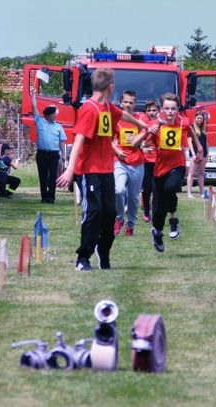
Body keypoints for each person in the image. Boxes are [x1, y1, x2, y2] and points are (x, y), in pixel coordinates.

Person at [56, 68, 150, 272]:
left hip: (107, 169)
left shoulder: (107, 106)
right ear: (111, 87)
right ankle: (83, 257)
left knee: (110, 213)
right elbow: (78, 140)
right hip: (90, 171)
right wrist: (70, 170)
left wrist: (141, 123)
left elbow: (122, 114)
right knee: (93, 212)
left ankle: (103, 250)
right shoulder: (89, 109)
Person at [132, 92, 202, 252]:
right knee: (158, 209)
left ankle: (174, 221)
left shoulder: (183, 122)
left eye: (173, 109)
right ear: (161, 109)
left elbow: (191, 131)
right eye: (167, 109)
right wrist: (147, 134)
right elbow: (136, 143)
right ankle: (157, 232)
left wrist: (199, 148)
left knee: (171, 188)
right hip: (159, 169)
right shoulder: (156, 124)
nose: (170, 112)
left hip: (177, 165)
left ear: (178, 109)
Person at [112, 90, 145, 237]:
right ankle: (119, 218)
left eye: (131, 102)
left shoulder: (140, 118)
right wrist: (116, 151)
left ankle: (130, 224)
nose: (128, 105)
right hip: (120, 160)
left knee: (133, 197)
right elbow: (108, 139)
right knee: (118, 190)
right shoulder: (116, 118)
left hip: (137, 162)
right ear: (121, 103)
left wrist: (143, 143)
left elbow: (147, 135)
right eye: (126, 102)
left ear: (135, 104)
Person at [31, 91, 66, 204]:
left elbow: (61, 141)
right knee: (43, 175)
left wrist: (63, 153)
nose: (56, 115)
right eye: (54, 114)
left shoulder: (58, 126)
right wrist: (33, 96)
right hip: (42, 154)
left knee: (53, 176)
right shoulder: (39, 122)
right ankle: (44, 196)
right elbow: (34, 107)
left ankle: (51, 197)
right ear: (48, 115)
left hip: (54, 154)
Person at [140, 99, 159, 222]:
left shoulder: (161, 122)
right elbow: (137, 139)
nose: (151, 113)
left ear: (158, 111)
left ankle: (156, 211)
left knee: (156, 188)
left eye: (153, 110)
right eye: (149, 110)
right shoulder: (142, 122)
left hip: (159, 159)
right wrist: (142, 147)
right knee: (146, 188)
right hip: (146, 160)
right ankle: (146, 209)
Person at [186, 110, 208, 198]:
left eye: (201, 118)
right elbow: (189, 142)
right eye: (198, 118)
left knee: (202, 173)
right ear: (195, 119)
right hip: (194, 154)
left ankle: (202, 193)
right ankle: (189, 193)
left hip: (204, 154)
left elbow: (206, 142)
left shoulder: (204, 128)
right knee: (191, 173)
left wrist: (207, 153)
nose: (199, 120)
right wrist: (193, 154)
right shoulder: (191, 128)